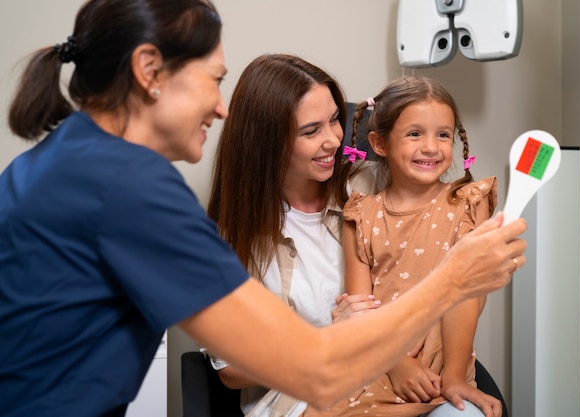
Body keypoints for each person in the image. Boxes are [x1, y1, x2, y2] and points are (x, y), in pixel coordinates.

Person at [0, 1, 528, 417]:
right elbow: (312, 372)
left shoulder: (63, 159)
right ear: (149, 71)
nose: (222, 106)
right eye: (214, 79)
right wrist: (455, 279)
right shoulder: (127, 188)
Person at [303, 77, 502, 417]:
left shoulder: (468, 203)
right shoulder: (360, 215)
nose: (431, 147)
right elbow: (361, 309)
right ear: (380, 144)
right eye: (414, 134)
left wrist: (454, 376)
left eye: (443, 134)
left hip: (443, 365)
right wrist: (395, 365)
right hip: (378, 364)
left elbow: (468, 296)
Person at [207, 53, 384, 416]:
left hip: (384, 374)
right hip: (297, 396)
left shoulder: (366, 187)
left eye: (335, 119)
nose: (334, 139)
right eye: (311, 131)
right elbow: (231, 370)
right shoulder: (230, 239)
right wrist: (329, 339)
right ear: (266, 143)